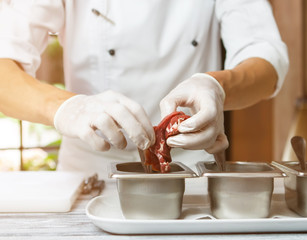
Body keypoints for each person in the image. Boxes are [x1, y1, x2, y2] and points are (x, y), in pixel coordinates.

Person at [0, 0, 288, 179]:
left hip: (188, 172)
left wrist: (217, 86)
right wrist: (67, 107)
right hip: (90, 173)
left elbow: (266, 58)